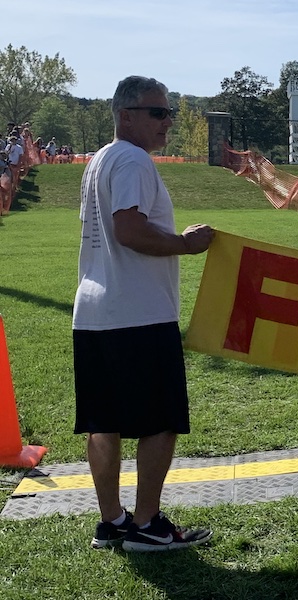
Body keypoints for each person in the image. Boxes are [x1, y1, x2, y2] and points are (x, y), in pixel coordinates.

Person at [73, 75, 216, 552]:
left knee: (103, 421)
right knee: (160, 420)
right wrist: (185, 245)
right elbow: (129, 231)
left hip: (93, 311)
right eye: (157, 112)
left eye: (169, 111)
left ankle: (112, 520)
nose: (168, 121)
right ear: (125, 115)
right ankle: (149, 524)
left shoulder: (100, 160)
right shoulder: (133, 160)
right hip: (137, 313)